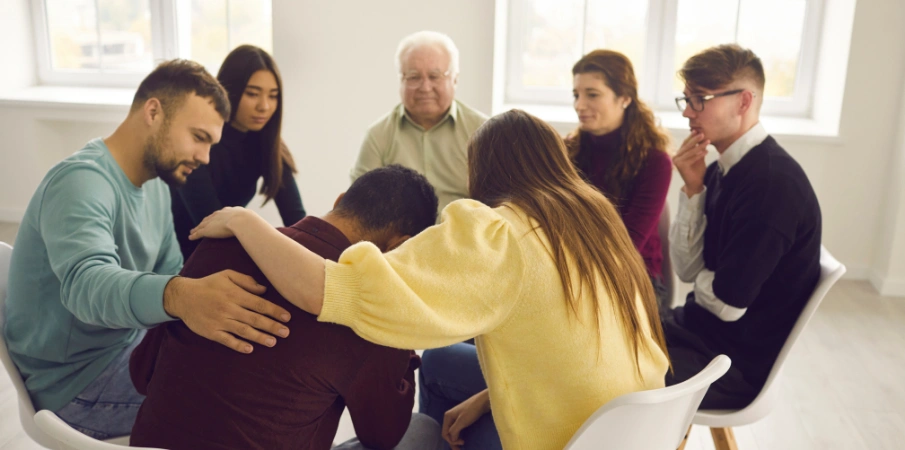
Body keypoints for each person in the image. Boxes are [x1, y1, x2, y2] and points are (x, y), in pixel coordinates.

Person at [191, 109, 670, 450]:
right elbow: (577, 342)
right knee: (442, 362)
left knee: (412, 423)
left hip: (566, 437)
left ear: (482, 173)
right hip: (632, 428)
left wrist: (243, 221)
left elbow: (328, 289)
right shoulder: (593, 217)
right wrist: (489, 397)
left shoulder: (498, 233)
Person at [2, 60, 292, 440]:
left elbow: (171, 268)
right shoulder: (81, 183)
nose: (205, 157)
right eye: (198, 137)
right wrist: (181, 296)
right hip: (74, 385)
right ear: (153, 112)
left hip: (127, 347)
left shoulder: (156, 184)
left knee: (257, 371)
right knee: (242, 411)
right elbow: (87, 286)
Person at [130, 165, 440, 450]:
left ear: (340, 200)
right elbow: (383, 436)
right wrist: (403, 341)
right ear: (399, 245)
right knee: (422, 429)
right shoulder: (369, 307)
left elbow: (141, 373)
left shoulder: (221, 241)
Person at [667, 44, 822, 409]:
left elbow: (727, 304)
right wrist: (692, 190)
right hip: (698, 333)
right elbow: (687, 269)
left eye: (700, 99)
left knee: (598, 370)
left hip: (729, 366)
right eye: (686, 99)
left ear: (744, 101)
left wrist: (704, 281)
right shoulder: (722, 169)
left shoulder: (772, 184)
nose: (688, 112)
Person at [171, 45, 306, 260]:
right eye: (252, 94)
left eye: (273, 96)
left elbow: (297, 221)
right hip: (186, 259)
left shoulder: (267, 143)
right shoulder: (198, 145)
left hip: (229, 253)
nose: (264, 106)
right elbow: (211, 225)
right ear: (229, 90)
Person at [566, 49, 673, 306]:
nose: (580, 105)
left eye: (592, 94)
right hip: (574, 272)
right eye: (576, 95)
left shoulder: (654, 161)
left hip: (636, 279)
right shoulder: (568, 151)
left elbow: (627, 245)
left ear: (624, 97)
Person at [351, 30, 487, 215]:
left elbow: (500, 205)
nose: (425, 87)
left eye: (434, 76)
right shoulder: (378, 136)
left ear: (455, 79)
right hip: (399, 242)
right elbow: (359, 208)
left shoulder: (483, 132)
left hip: (465, 240)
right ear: (401, 80)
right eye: (414, 77)